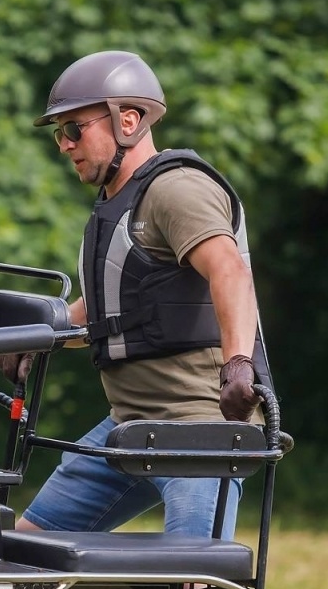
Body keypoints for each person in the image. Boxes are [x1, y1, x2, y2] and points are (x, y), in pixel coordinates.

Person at [15, 50, 271, 538]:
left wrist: (238, 364)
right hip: (129, 424)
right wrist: (32, 337)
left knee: (193, 579)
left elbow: (230, 272)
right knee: (28, 550)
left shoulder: (176, 191)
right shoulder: (117, 205)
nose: (65, 145)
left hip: (200, 426)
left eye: (74, 129)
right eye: (59, 133)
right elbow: (101, 313)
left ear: (127, 120)